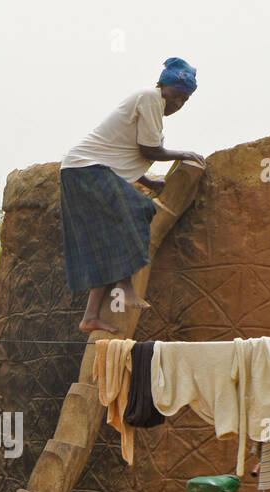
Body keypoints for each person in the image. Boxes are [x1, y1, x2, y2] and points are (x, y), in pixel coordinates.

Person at [61, 58, 204, 333]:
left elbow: (125, 153)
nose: (177, 104)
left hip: (86, 170)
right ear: (163, 86)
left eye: (184, 100)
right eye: (176, 96)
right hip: (85, 169)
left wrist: (147, 180)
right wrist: (184, 154)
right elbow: (150, 151)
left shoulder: (154, 110)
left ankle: (90, 316)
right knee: (139, 208)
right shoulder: (151, 98)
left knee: (107, 244)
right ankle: (126, 286)